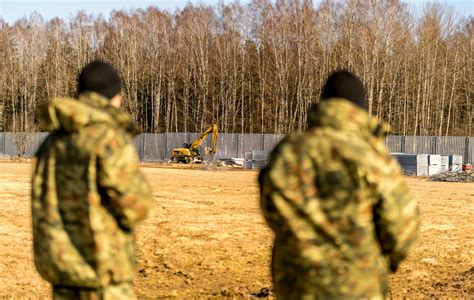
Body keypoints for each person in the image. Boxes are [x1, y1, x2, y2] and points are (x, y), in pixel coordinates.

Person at [259, 70, 419, 299]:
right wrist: (386, 259)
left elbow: (270, 210)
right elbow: (401, 226)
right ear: (359, 109)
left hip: (297, 282)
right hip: (357, 283)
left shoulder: (289, 150)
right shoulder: (371, 155)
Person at [31, 61, 155, 299]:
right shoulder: (108, 137)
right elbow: (136, 207)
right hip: (103, 274)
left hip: (63, 271)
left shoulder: (52, 142)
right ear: (114, 96)